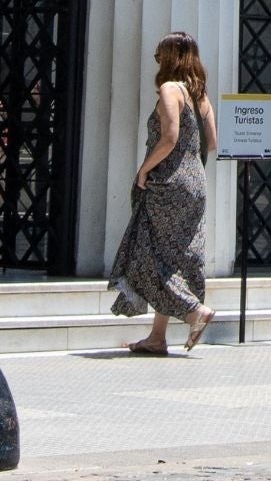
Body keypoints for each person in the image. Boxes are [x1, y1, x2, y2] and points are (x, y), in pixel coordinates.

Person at [109, 32, 219, 354]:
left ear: (170, 57)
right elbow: (211, 143)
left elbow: (169, 137)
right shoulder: (202, 96)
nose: (156, 61)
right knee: (173, 256)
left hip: (168, 180)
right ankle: (157, 337)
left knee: (148, 251)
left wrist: (145, 168)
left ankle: (193, 311)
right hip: (195, 181)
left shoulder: (171, 90)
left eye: (159, 55)